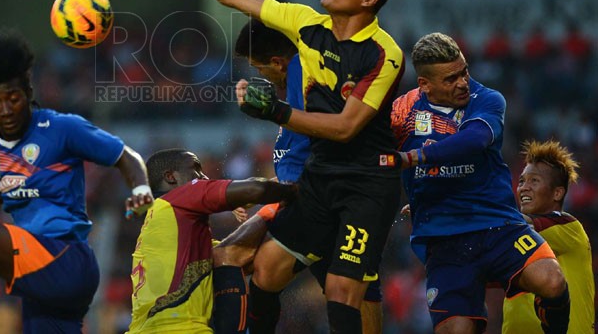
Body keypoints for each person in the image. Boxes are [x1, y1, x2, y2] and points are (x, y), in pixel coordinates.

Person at [138, 0, 404, 333]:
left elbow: (348, 127)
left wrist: (276, 113)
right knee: (266, 270)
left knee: (343, 288)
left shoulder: (385, 53)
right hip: (319, 178)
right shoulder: (306, 25)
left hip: (365, 182)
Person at [0, 29, 154, 334]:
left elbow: (125, 156)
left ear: (27, 92)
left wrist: (141, 188)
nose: (6, 109)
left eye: (13, 98)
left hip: (66, 257)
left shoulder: (62, 127)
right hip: (38, 272)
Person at [211, 19, 383, 334]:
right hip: (308, 195)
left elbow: (324, 135)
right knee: (349, 292)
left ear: (277, 61)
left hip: (313, 196)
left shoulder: (302, 73)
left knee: (231, 257)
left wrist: (272, 111)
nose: (261, 75)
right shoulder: (298, 79)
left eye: (260, 68)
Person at [391, 32, 570, 334]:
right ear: (425, 84)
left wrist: (413, 158)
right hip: (444, 239)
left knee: (552, 280)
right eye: (450, 79)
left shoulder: (486, 98)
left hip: (496, 224)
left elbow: (475, 140)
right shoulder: (401, 111)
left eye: (464, 72)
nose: (462, 83)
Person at [126, 148, 297, 334]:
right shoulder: (176, 199)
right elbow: (257, 189)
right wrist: (298, 186)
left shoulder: (166, 226)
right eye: (196, 170)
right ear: (171, 177)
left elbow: (236, 257)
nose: (204, 177)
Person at [502, 139, 594, 333]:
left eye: (534, 181)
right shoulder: (511, 239)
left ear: (557, 193)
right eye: (521, 181)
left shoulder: (569, 228)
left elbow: (517, 224)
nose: (523, 188)